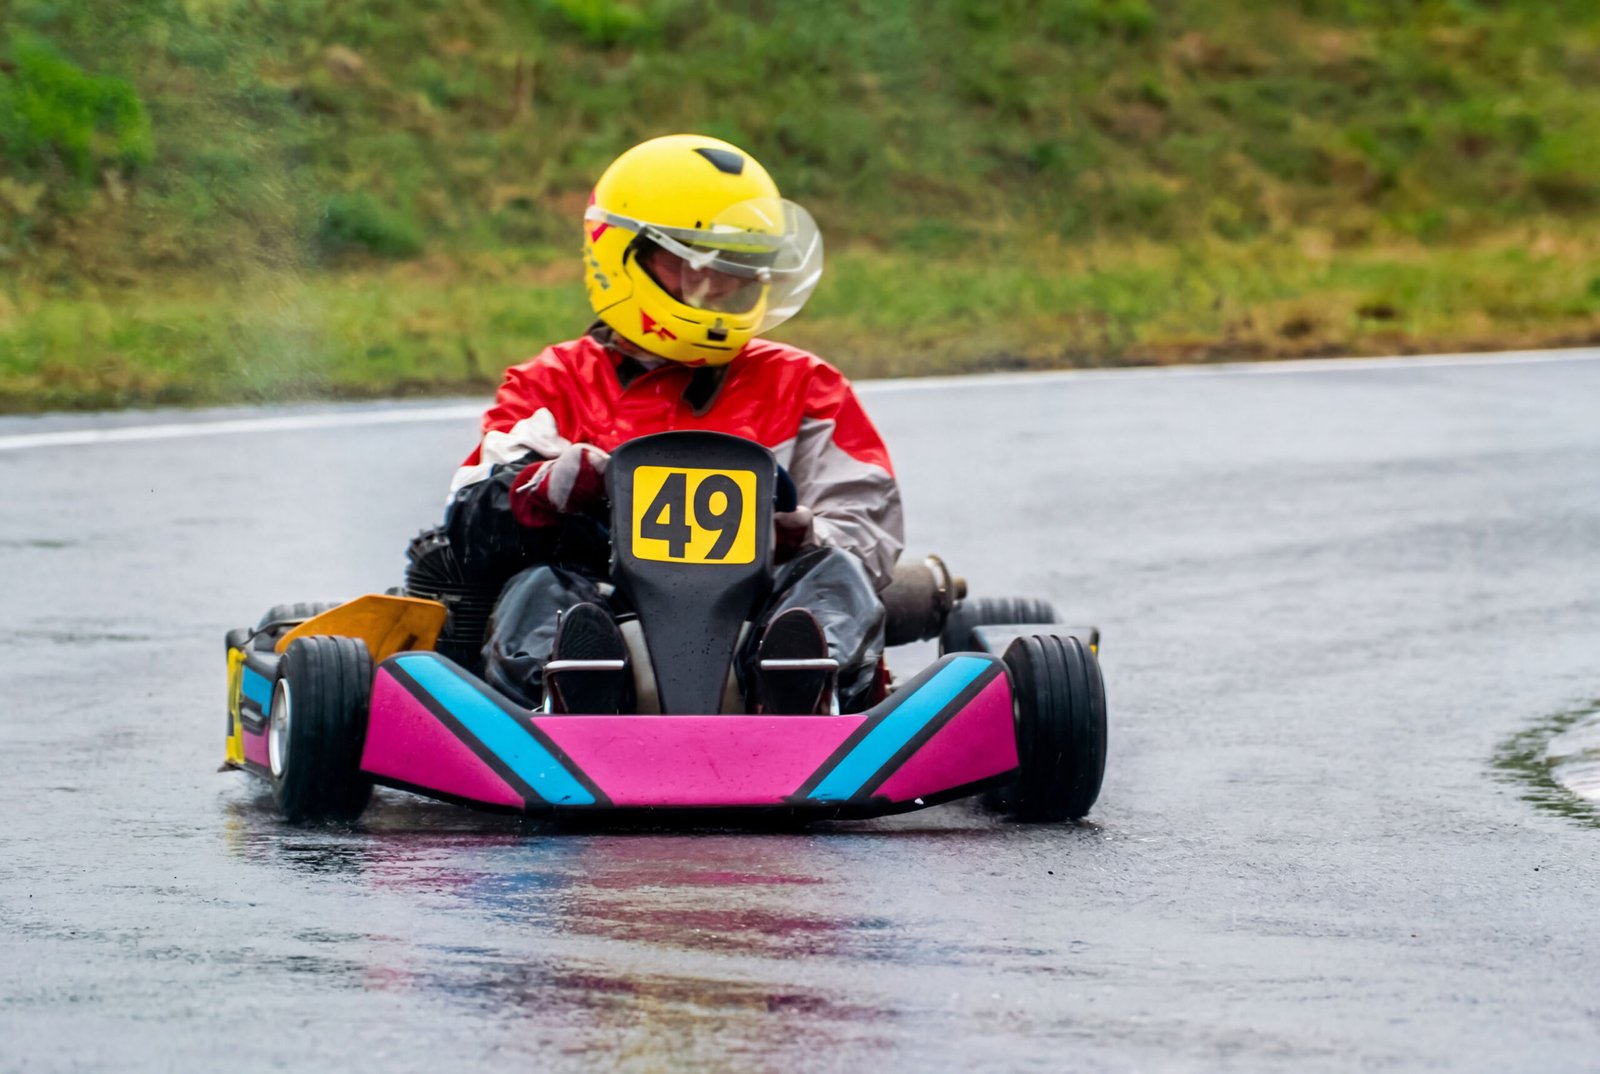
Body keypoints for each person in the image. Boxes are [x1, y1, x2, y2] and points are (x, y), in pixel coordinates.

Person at [441, 134, 903, 715]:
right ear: (621, 255)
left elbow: (869, 530)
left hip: (756, 618)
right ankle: (574, 691)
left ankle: (801, 687)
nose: (727, 285)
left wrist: (800, 534)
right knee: (537, 586)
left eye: (742, 268)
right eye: (696, 263)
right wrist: (553, 485)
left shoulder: (806, 386)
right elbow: (466, 528)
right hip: (610, 606)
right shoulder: (552, 382)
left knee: (835, 576)